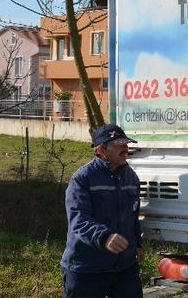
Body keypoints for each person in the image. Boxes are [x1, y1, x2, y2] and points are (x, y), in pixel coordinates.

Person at [61, 124, 144, 298]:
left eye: (125, 144)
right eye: (118, 144)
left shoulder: (131, 177)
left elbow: (132, 215)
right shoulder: (82, 178)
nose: (125, 148)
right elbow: (79, 219)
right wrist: (105, 237)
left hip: (124, 268)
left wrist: (137, 244)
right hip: (87, 268)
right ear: (101, 149)